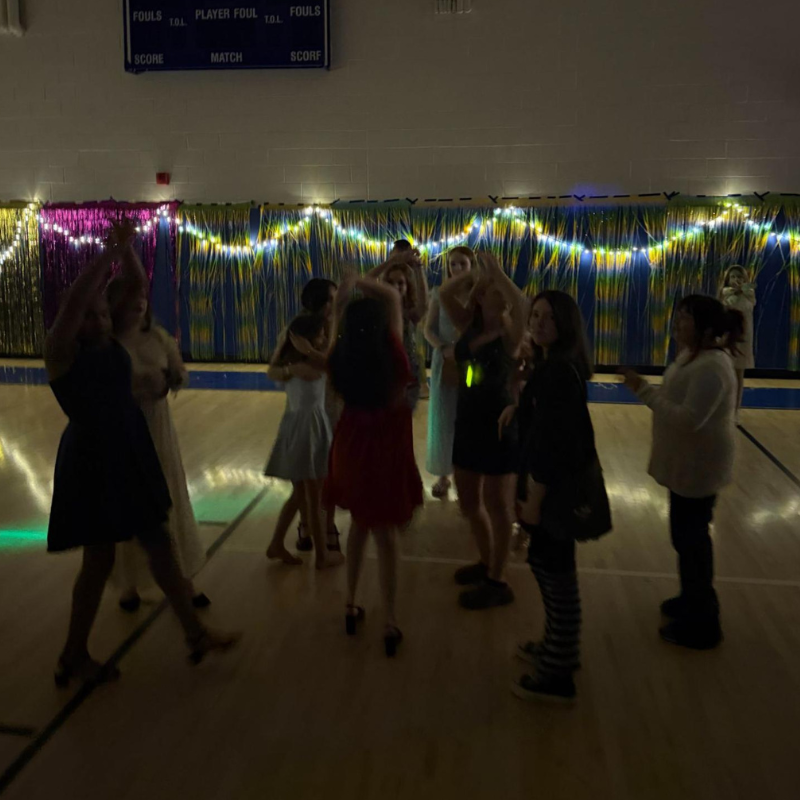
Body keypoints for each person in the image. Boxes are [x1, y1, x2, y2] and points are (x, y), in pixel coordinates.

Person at [45, 221, 238, 687]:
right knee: (100, 561)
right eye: (89, 315)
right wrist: (105, 254)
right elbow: (75, 301)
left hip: (128, 450)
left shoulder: (112, 340)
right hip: (94, 460)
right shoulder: (61, 352)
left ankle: (193, 634)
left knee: (158, 544)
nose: (98, 321)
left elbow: (136, 289)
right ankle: (74, 654)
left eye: (103, 314)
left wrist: (127, 250)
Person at [622, 295, 742, 650]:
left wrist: (643, 391)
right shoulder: (694, 358)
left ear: (704, 327)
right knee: (685, 537)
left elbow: (689, 420)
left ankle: (705, 623)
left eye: (685, 318)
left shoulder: (712, 368)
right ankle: (691, 599)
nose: (677, 323)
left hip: (700, 467)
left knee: (692, 542)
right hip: (687, 465)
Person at [319, 269, 423, 657]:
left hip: (351, 444)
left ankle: (350, 603)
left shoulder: (339, 355)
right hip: (387, 446)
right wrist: (361, 280)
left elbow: (334, 327)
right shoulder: (392, 353)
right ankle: (391, 619)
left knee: (360, 525)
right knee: (387, 536)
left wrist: (343, 296)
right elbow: (395, 300)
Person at [505, 291, 602, 702]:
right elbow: (542, 415)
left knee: (554, 574)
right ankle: (559, 649)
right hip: (558, 486)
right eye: (536, 315)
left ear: (565, 324)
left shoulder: (558, 373)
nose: (539, 322)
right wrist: (519, 409)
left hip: (554, 490)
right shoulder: (554, 366)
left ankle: (557, 674)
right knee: (554, 571)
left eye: (549, 317)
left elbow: (550, 444)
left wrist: (534, 500)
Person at [106, 244, 209, 613]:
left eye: (142, 300)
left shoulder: (157, 337)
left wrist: (170, 379)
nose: (139, 305)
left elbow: (178, 373)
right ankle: (129, 584)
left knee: (170, 500)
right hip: (124, 432)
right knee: (128, 507)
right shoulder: (108, 344)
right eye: (131, 299)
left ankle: (183, 581)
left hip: (158, 427)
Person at [439, 252, 526, 610]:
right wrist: (473, 273)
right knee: (469, 501)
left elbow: (520, 300)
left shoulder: (510, 333)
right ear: (479, 296)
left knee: (496, 503)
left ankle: (498, 578)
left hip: (499, 424)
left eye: (501, 291)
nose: (501, 296)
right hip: (468, 420)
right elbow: (445, 294)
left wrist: (500, 274)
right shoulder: (468, 324)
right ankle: (486, 560)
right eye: (493, 292)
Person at [264, 313, 344, 570]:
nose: (323, 338)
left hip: (296, 425)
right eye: (320, 334)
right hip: (309, 427)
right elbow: (334, 365)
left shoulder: (290, 363)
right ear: (306, 339)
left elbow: (273, 370)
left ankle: (276, 543)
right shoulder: (311, 365)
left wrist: (297, 356)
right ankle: (322, 555)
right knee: (314, 496)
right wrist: (308, 352)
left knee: (300, 495)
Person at [292, 278, 342, 554]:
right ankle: (305, 523)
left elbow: (336, 365)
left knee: (329, 470)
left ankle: (329, 524)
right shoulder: (298, 328)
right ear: (318, 303)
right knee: (304, 471)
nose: (335, 304)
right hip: (305, 407)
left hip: (333, 404)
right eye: (331, 299)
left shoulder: (337, 327)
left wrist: (313, 354)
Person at [424, 246, 475, 499]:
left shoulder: (478, 295)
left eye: (462, 264)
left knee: (468, 416)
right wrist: (442, 348)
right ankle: (444, 476)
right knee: (444, 418)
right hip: (444, 362)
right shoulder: (438, 293)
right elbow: (428, 330)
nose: (456, 269)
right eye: (453, 264)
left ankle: (467, 474)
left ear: (471, 266)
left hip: (471, 365)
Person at [369, 247, 429, 410]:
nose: (395, 286)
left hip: (406, 373)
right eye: (390, 282)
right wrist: (392, 262)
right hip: (381, 371)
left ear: (407, 286)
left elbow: (424, 302)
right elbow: (367, 279)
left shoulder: (409, 313)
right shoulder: (377, 307)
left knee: (401, 423)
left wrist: (418, 268)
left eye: (400, 283)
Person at [720, 265, 756, 415]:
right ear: (728, 279)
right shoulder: (725, 293)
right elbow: (726, 307)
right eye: (733, 277)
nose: (737, 280)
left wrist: (743, 291)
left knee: (739, 375)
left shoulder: (750, 293)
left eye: (740, 277)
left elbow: (749, 306)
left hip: (745, 338)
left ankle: (735, 410)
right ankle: (723, 408)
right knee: (725, 373)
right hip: (729, 337)